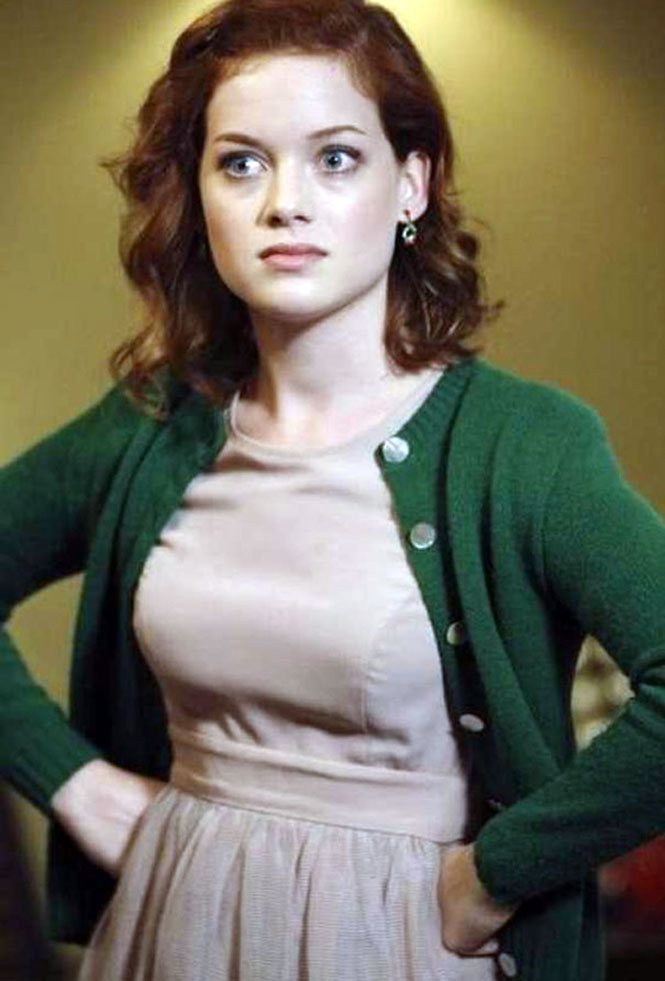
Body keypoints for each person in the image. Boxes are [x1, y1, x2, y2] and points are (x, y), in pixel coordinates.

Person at [1, 0, 664, 978]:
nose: (284, 203)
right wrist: (77, 787)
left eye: (336, 158)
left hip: (405, 939)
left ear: (410, 184)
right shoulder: (149, 424)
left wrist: (498, 872)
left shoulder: (524, 444)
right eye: (241, 163)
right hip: (169, 921)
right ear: (198, 193)